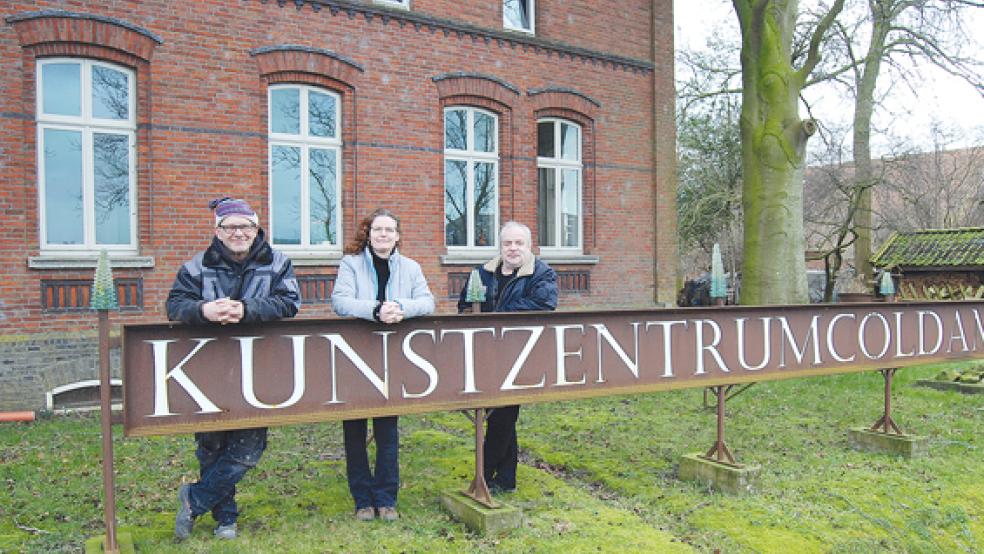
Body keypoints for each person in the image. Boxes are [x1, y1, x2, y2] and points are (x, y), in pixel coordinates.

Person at [166, 197, 301, 540]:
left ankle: (194, 499)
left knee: (249, 447)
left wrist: (246, 309)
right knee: (211, 444)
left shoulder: (277, 262)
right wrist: (205, 310)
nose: (239, 232)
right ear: (218, 230)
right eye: (231, 226)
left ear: (256, 229)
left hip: (260, 366)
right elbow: (175, 304)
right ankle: (226, 518)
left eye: (246, 226)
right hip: (208, 367)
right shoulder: (196, 267)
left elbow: (289, 303)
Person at [331, 208, 434, 521]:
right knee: (355, 431)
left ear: (398, 235)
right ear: (369, 232)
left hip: (393, 358)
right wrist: (375, 310)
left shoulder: (412, 267)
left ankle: (387, 497)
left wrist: (400, 308)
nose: (384, 235)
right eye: (378, 229)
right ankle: (362, 499)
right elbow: (340, 301)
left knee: (388, 431)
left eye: (390, 230)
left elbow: (428, 302)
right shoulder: (350, 264)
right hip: (355, 356)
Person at [457, 221, 557, 493]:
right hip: (486, 355)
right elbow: (464, 305)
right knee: (499, 416)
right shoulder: (482, 273)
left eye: (518, 243)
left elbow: (543, 305)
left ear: (529, 245)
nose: (512, 248)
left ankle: (486, 474)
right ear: (500, 246)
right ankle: (506, 478)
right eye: (507, 243)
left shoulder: (542, 273)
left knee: (503, 415)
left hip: (520, 357)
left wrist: (497, 313)